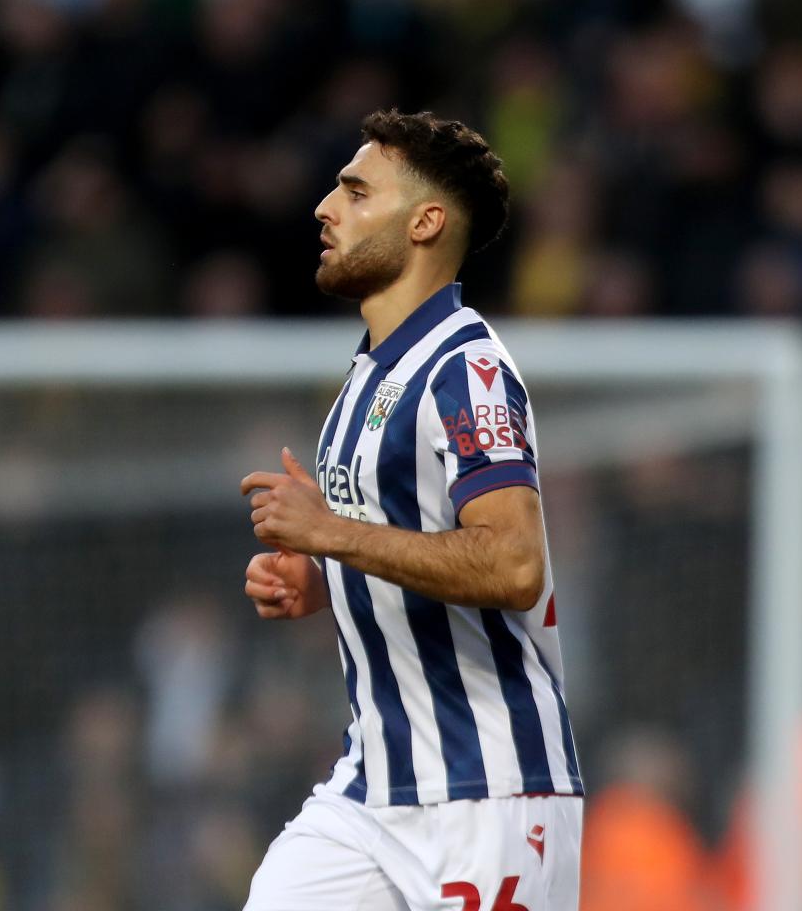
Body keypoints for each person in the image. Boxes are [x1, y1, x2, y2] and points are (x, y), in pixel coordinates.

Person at [239, 109, 583, 911]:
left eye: (356, 192)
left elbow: (513, 564)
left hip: (490, 791)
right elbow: (412, 544)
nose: (325, 208)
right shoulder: (368, 377)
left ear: (426, 222)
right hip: (370, 790)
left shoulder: (468, 370)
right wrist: (327, 576)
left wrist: (330, 531)